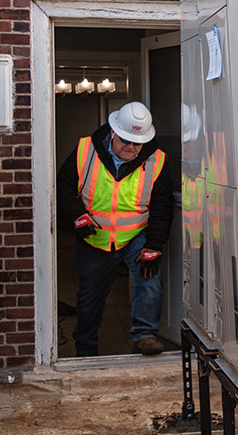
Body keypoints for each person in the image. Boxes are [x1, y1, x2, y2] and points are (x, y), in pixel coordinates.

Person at [57, 101, 174, 357]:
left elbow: (163, 205)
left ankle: (144, 336)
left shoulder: (157, 160)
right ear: (113, 132)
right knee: (90, 297)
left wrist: (153, 245)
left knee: (150, 281)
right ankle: (86, 349)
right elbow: (63, 187)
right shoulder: (85, 150)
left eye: (137, 142)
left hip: (136, 236)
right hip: (94, 237)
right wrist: (78, 216)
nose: (131, 148)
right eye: (125, 140)